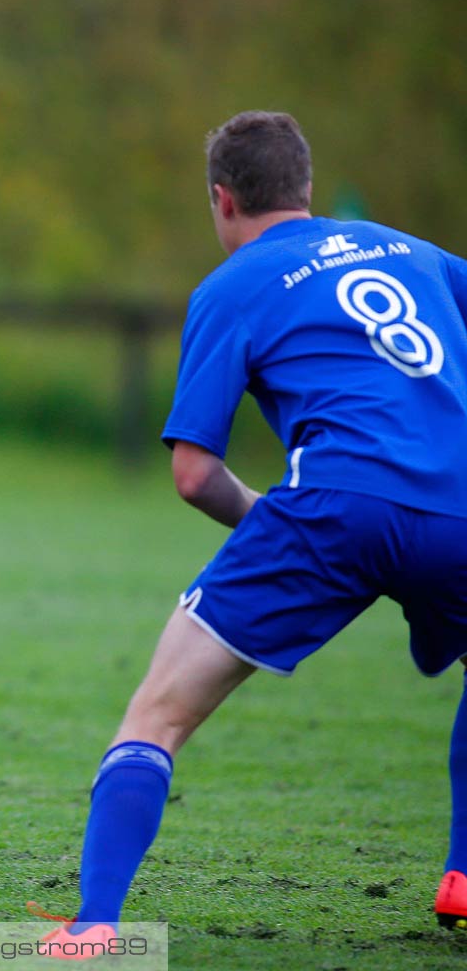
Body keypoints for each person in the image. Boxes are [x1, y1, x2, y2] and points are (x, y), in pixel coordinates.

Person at [36, 111, 467, 957]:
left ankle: (94, 924)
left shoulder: (231, 285)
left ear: (222, 199)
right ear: (305, 187)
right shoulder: (421, 256)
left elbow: (195, 474)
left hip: (334, 503)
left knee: (156, 716)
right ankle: (462, 871)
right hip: (462, 508)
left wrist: (277, 524)